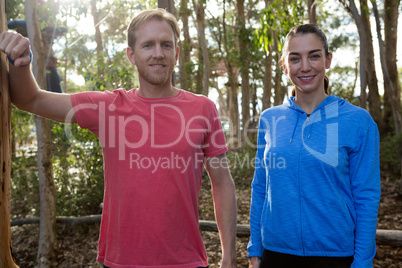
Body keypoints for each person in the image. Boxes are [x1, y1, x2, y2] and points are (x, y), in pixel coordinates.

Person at [0, 8, 237, 268]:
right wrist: (21, 62)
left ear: (176, 53)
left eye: (166, 45)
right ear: (131, 55)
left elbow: (223, 183)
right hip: (121, 262)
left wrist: (229, 257)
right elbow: (30, 99)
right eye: (148, 45)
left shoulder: (203, 108)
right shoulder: (109, 107)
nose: (158, 53)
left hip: (187, 261)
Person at [247, 24, 380, 268]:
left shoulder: (358, 121)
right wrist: (255, 249)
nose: (305, 67)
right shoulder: (270, 119)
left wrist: (363, 261)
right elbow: (260, 188)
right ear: (285, 65)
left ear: (328, 60)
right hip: (276, 255)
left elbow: (367, 196)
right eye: (295, 58)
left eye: (314, 56)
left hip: (337, 256)